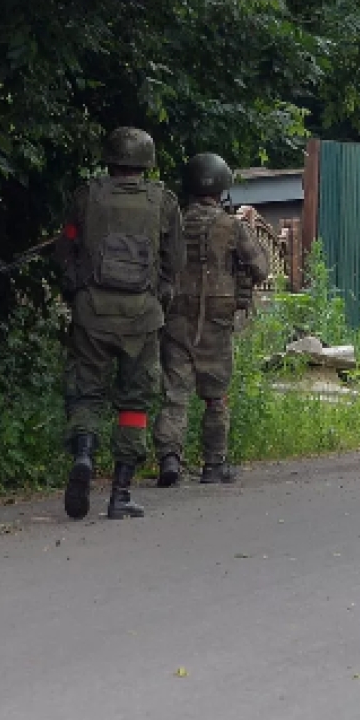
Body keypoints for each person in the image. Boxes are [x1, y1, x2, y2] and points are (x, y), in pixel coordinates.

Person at [52, 127, 184, 520]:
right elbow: (175, 260)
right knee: (134, 402)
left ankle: (84, 455)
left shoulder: (86, 196)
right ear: (147, 161)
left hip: (92, 312)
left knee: (86, 393)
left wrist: (75, 289)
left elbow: (66, 247)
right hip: (141, 317)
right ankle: (120, 494)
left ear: (110, 159)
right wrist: (158, 294)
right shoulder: (163, 202)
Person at [155, 153, 270, 486]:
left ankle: (169, 460)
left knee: (175, 393)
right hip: (217, 322)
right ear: (221, 187)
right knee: (215, 396)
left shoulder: (172, 223)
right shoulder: (231, 226)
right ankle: (213, 465)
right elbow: (260, 269)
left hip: (175, 317)